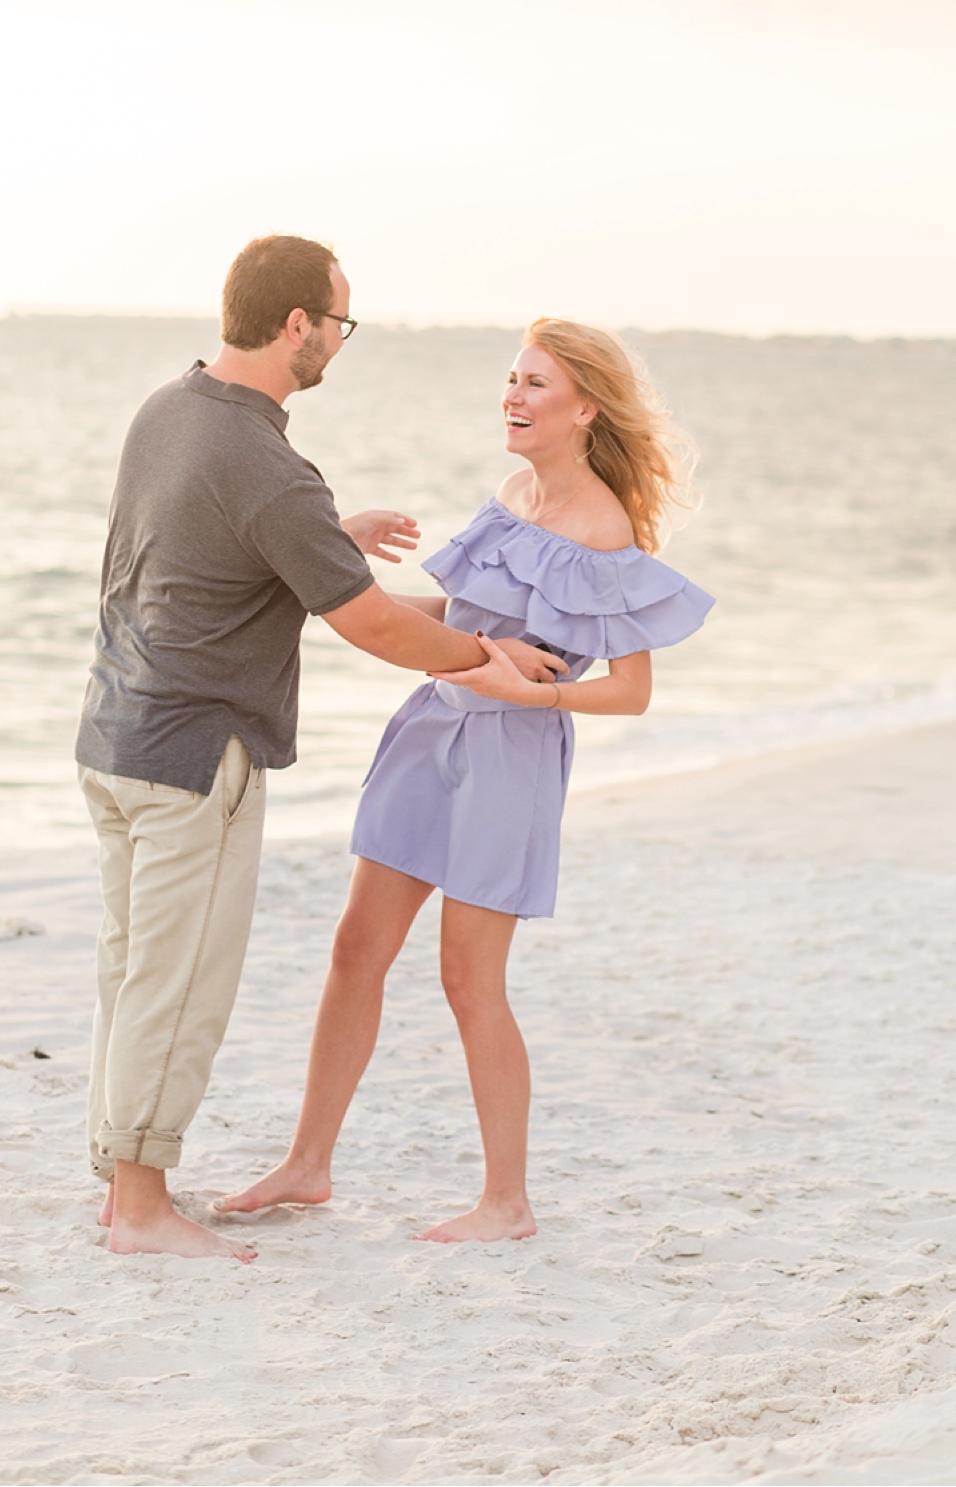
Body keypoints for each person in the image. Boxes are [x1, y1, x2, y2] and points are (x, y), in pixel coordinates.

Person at [75, 236, 565, 1263]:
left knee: (131, 973)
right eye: (339, 322)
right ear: (296, 324)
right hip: (193, 752)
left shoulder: (170, 409)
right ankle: (146, 1210)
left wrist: (327, 533)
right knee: (176, 983)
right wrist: (487, 649)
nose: (340, 340)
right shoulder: (268, 463)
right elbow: (375, 627)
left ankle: (121, 1189)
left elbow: (205, 547)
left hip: (114, 735)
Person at [218, 317, 714, 1242]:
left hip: (510, 758)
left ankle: (506, 1204)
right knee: (355, 948)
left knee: (467, 978)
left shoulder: (605, 529)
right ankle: (308, 1163)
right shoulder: (511, 492)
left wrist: (522, 692)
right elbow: (459, 612)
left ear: (584, 409)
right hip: (429, 733)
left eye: (534, 385)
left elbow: (631, 692)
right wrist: (326, 587)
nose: (513, 398)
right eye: (511, 380)